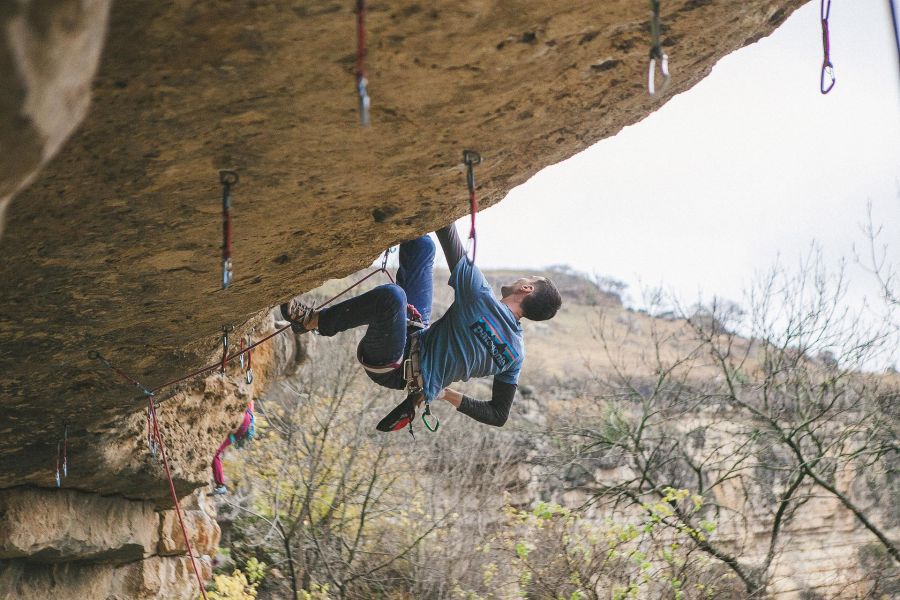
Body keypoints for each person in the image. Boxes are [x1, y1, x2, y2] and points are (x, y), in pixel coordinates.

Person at [280, 223, 562, 432]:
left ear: (526, 288)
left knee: (393, 297)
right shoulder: (514, 355)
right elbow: (498, 414)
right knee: (422, 246)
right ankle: (420, 391)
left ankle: (312, 321)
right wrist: (444, 393)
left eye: (529, 278)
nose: (522, 278)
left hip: (393, 366)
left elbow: (446, 226)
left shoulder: (480, 297)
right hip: (416, 335)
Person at [211, 401, 255, 494]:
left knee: (216, 454)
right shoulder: (251, 403)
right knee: (217, 453)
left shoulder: (250, 400)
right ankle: (220, 485)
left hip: (243, 422)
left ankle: (221, 485)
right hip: (242, 428)